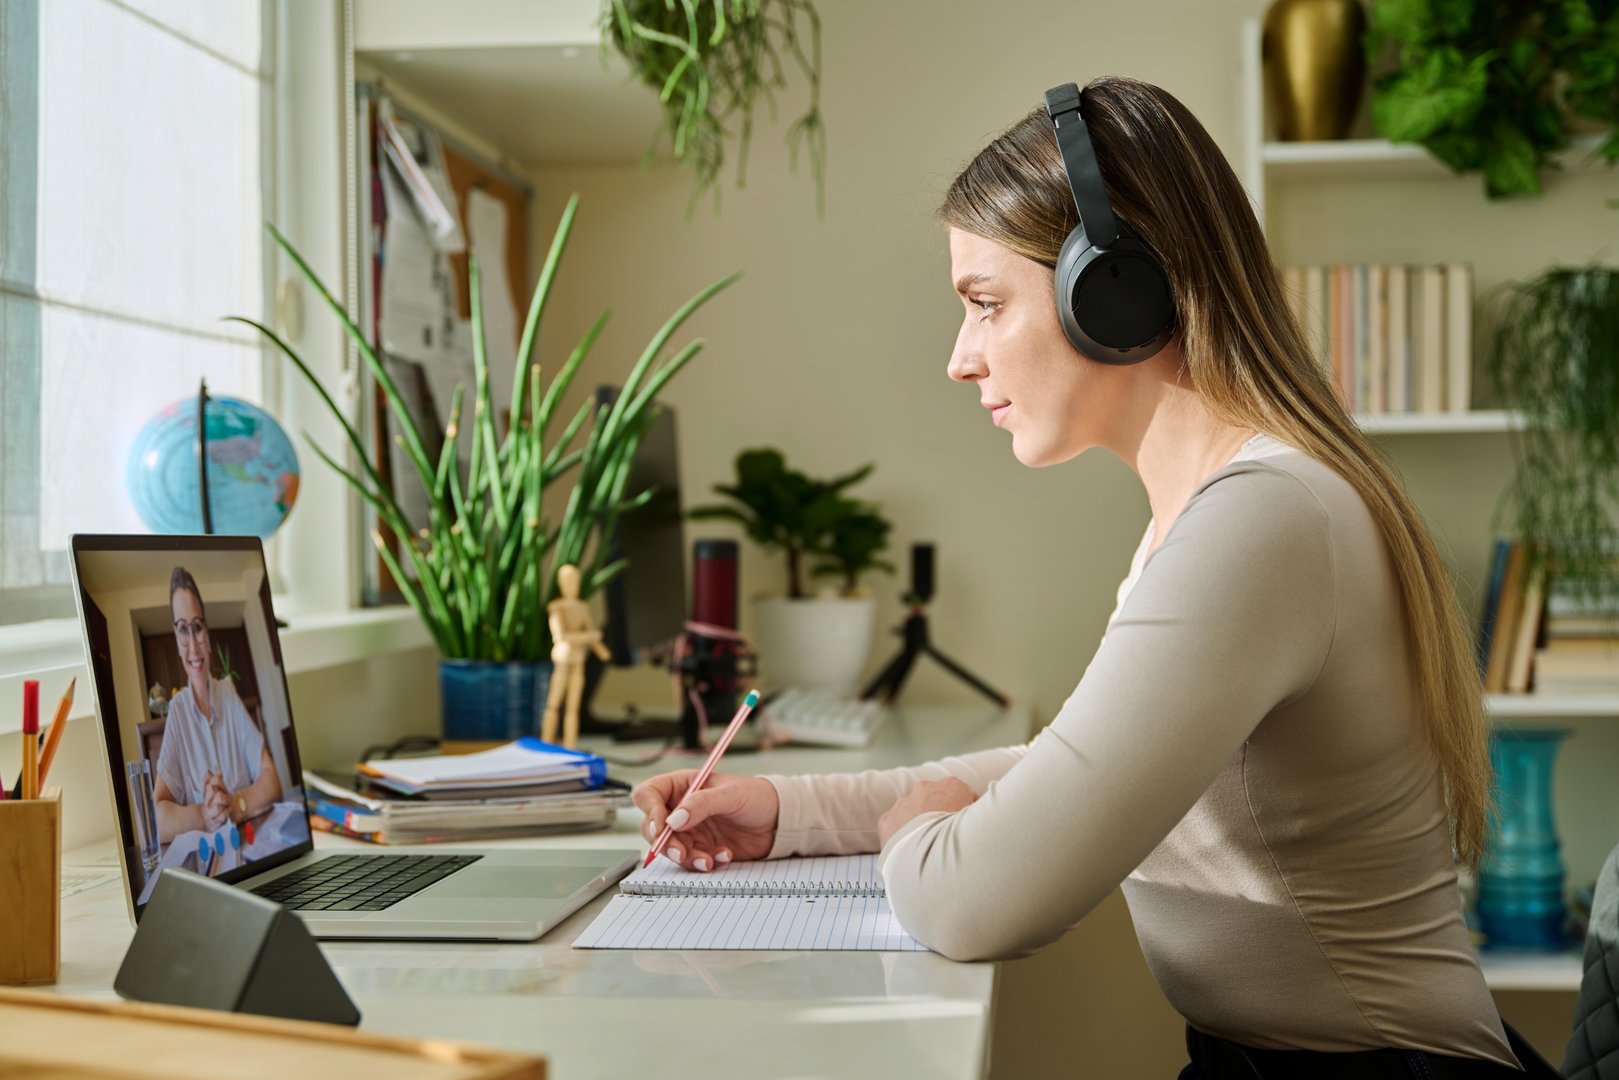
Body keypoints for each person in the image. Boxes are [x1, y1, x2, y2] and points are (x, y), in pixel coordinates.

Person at [633, 76, 1546, 1076]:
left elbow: (981, 903)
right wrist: (794, 815)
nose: (957, 359)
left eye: (983, 305)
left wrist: (915, 840)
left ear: (1115, 292)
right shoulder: (1215, 511)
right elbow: (1075, 765)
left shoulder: (1263, 520)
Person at [152, 566, 282, 844]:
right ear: (177, 641)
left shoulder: (228, 693)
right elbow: (158, 820)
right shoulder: (177, 710)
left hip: (251, 844)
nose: (193, 647)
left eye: (197, 628)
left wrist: (235, 803)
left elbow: (272, 782)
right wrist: (203, 814)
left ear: (207, 635)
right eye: (183, 631)